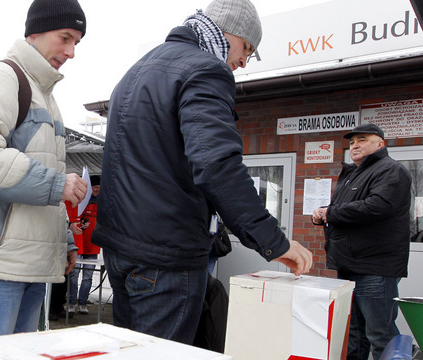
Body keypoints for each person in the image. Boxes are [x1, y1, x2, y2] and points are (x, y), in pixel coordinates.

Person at [91, 0, 313, 344]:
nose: (242, 61)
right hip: (166, 255)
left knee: (129, 352)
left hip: (121, 247)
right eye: (246, 48)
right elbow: (217, 164)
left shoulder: (138, 69)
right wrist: (273, 241)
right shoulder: (205, 69)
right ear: (229, 34)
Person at [0, 0, 88, 339]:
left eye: (77, 43)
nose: (71, 52)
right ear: (35, 32)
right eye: (65, 38)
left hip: (33, 261)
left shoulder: (46, 97)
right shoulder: (1, 77)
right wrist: (57, 184)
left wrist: (65, 240)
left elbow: (44, 173)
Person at [312, 123, 412, 360]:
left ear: (380, 143)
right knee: (354, 333)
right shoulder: (352, 174)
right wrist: (324, 213)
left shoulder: (391, 170)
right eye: (351, 142)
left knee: (380, 334)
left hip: (374, 269)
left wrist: (331, 213)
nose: (355, 145)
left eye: (362, 139)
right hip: (350, 266)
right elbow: (345, 210)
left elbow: (377, 206)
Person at [68, 175, 101, 315]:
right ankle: (70, 303)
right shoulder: (80, 202)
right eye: (94, 187)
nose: (97, 190)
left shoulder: (102, 203)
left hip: (93, 246)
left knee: (88, 277)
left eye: (99, 187)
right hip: (79, 244)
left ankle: (82, 303)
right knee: (74, 275)